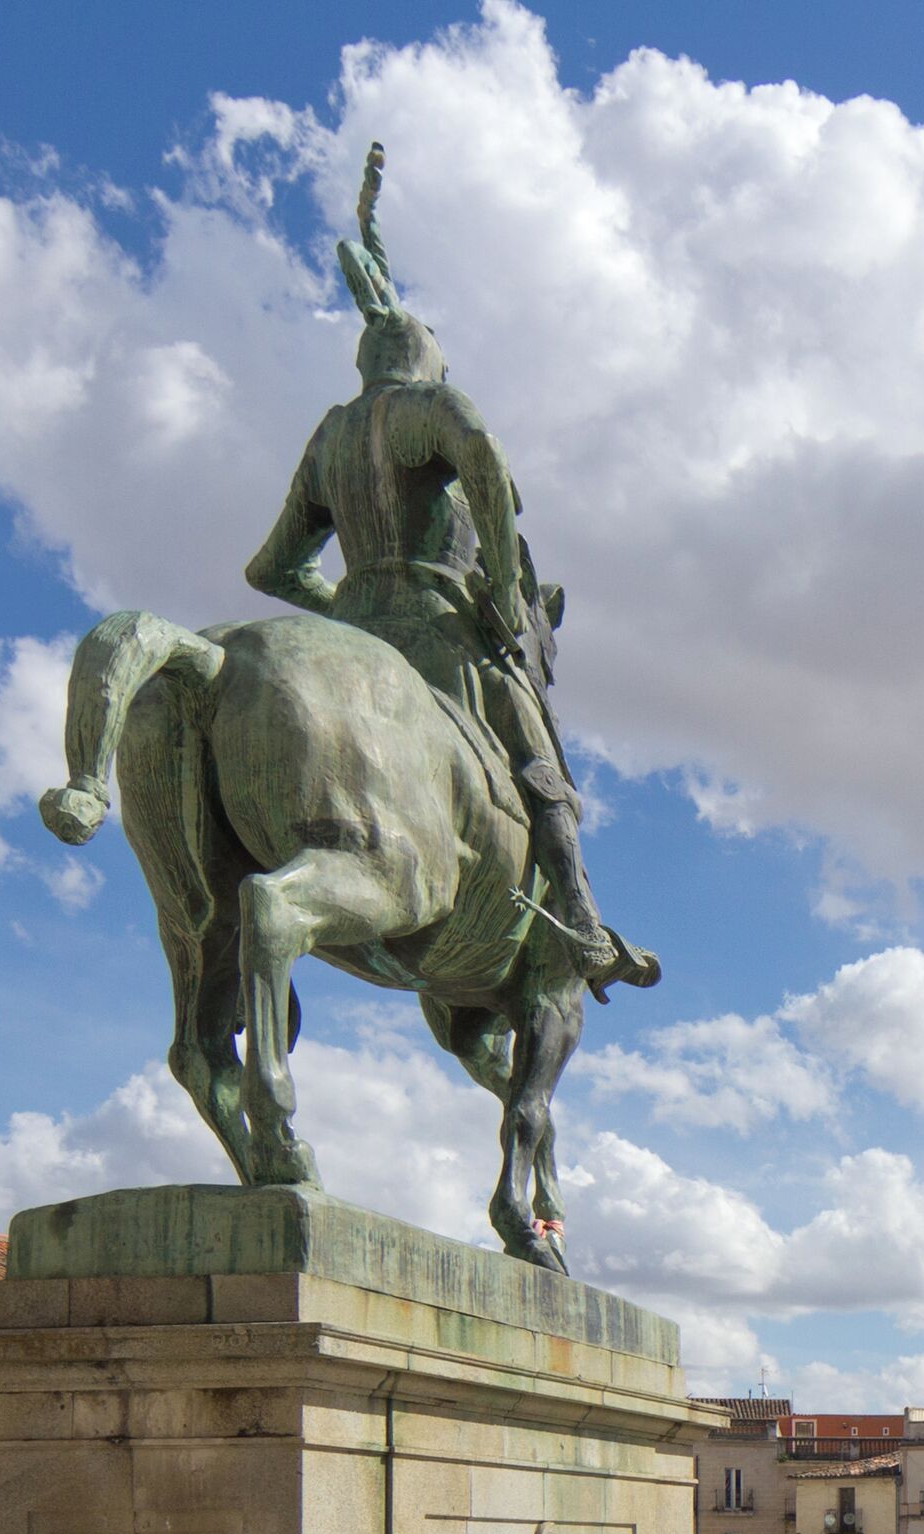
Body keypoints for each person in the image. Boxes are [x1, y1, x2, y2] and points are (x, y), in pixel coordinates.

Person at [243, 145, 648, 1002]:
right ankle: (579, 918)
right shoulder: (430, 409)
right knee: (548, 775)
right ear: (428, 364)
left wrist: (344, 609)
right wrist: (501, 584)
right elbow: (488, 466)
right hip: (443, 638)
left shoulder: (329, 438)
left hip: (353, 629)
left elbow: (273, 569)